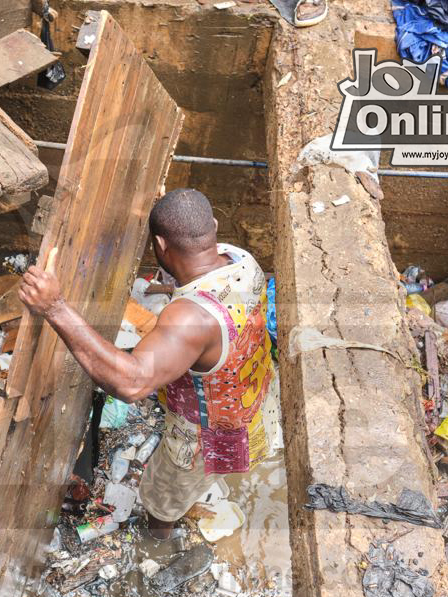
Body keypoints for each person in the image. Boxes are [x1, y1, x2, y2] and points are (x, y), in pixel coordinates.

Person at [18, 188, 281, 540]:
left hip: (207, 436)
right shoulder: (241, 259)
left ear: (160, 243)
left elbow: (132, 384)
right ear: (213, 227)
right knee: (222, 464)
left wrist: (56, 308)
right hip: (255, 401)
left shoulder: (190, 320)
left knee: (160, 500)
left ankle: (158, 544)